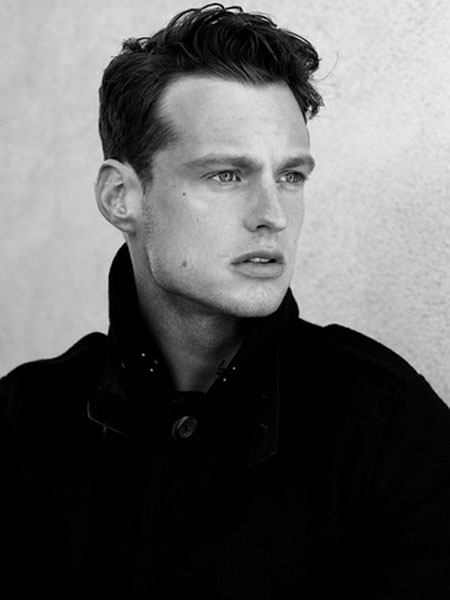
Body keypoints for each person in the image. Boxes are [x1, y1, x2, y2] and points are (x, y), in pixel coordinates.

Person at [1, 4, 450, 598]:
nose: (272, 215)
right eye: (226, 175)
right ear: (120, 197)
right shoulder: (21, 422)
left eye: (290, 176)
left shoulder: (389, 425)